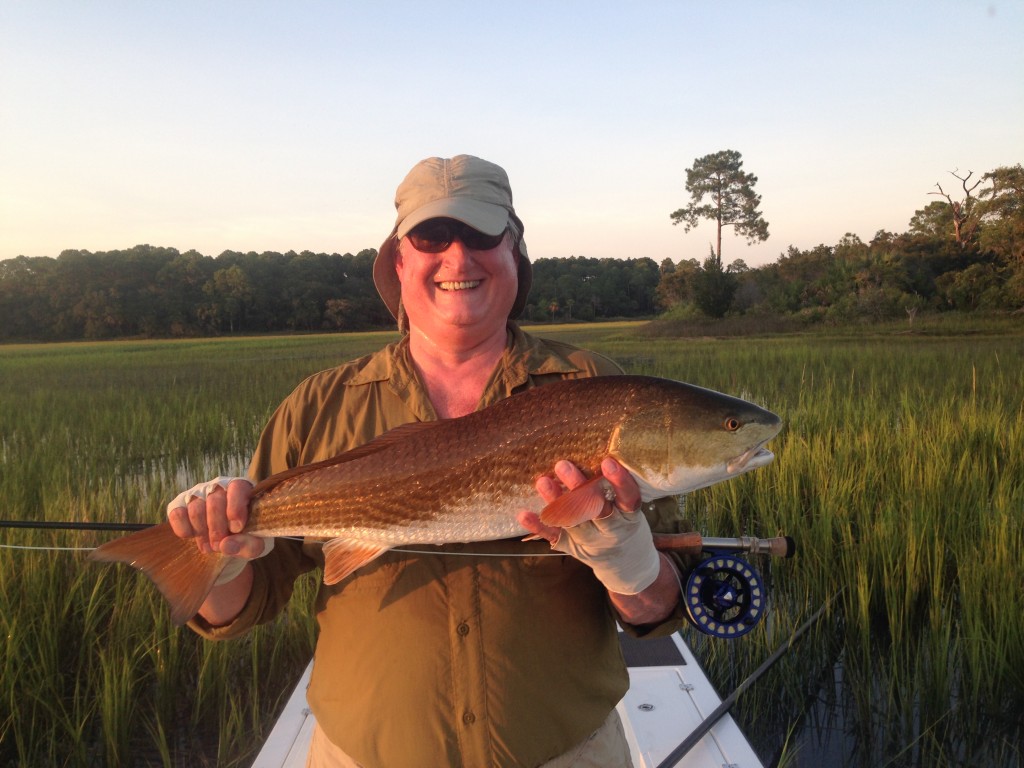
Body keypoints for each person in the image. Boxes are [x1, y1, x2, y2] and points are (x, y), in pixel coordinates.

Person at [169, 155, 692, 768]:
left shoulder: (597, 389)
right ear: (398, 261)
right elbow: (246, 604)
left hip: (567, 752)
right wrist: (214, 565)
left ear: (514, 253)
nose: (458, 258)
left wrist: (632, 570)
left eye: (480, 236)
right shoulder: (315, 406)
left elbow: (659, 607)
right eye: (432, 238)